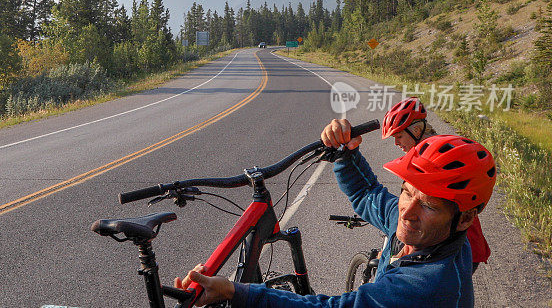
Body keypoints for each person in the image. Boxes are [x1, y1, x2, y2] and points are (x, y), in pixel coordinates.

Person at [174, 119, 496, 307]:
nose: (407, 212)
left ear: (466, 219)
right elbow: (367, 193)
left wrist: (234, 291)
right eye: (407, 191)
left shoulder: (428, 283)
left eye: (428, 205)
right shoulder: (427, 232)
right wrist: (345, 153)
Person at [382, 97, 490, 271]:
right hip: (465, 244)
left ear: (416, 131)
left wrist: (390, 253)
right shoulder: (439, 148)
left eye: (399, 136)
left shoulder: (428, 162)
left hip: (456, 247)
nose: (396, 143)